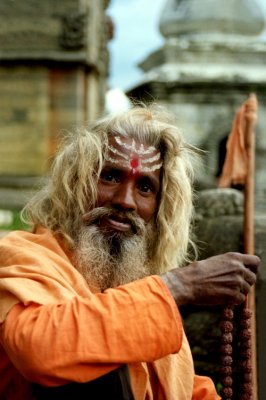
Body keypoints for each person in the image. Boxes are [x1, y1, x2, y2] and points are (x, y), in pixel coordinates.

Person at [0, 104, 259, 400]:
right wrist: (179, 286)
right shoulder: (23, 254)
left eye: (145, 188)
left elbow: (183, 389)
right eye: (110, 177)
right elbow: (39, 349)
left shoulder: (140, 287)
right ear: (76, 183)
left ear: (160, 209)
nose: (126, 201)